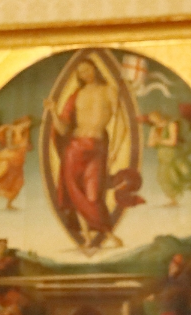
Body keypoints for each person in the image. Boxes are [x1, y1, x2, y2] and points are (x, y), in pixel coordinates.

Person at [45, 58, 142, 250]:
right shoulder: (76, 95)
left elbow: (122, 123)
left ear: (96, 70)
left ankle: (107, 232)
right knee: (76, 193)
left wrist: (114, 151)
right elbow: (63, 130)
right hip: (74, 147)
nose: (85, 75)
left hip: (96, 148)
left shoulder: (108, 91)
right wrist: (54, 112)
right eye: (80, 73)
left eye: (87, 70)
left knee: (92, 194)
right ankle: (88, 239)